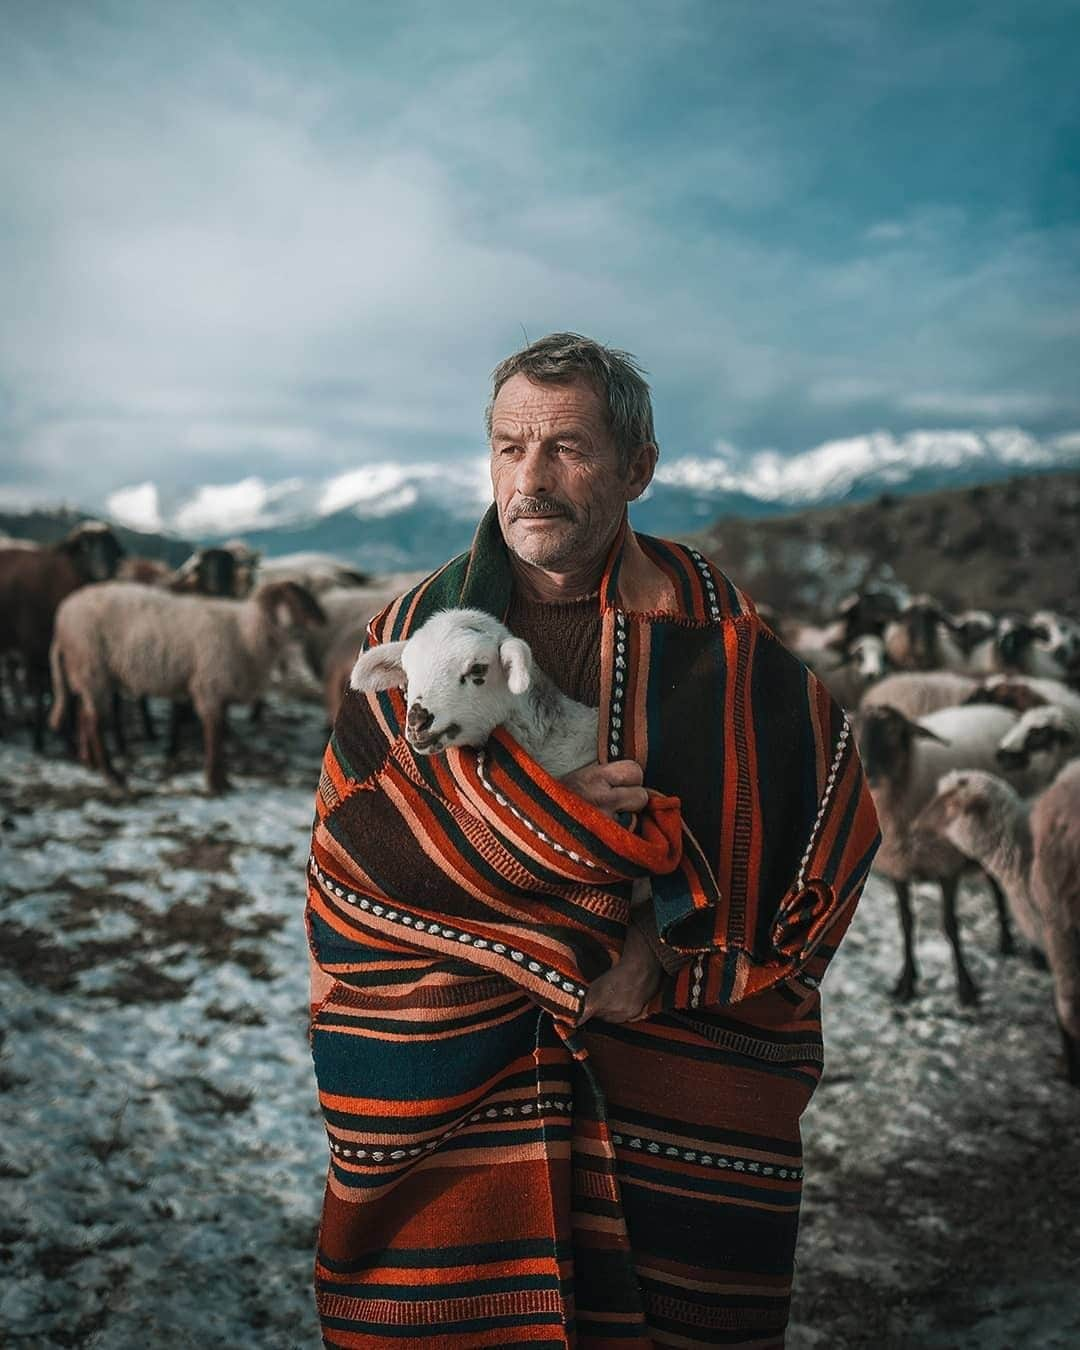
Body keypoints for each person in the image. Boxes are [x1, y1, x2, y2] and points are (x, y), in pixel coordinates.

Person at [305, 333, 880, 1348]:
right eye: (510, 446)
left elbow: (820, 828)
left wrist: (658, 956)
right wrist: (547, 845)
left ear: (638, 469)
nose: (531, 479)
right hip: (462, 1061)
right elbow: (356, 860)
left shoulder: (722, 643)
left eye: (567, 449)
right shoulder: (413, 632)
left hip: (668, 1066)